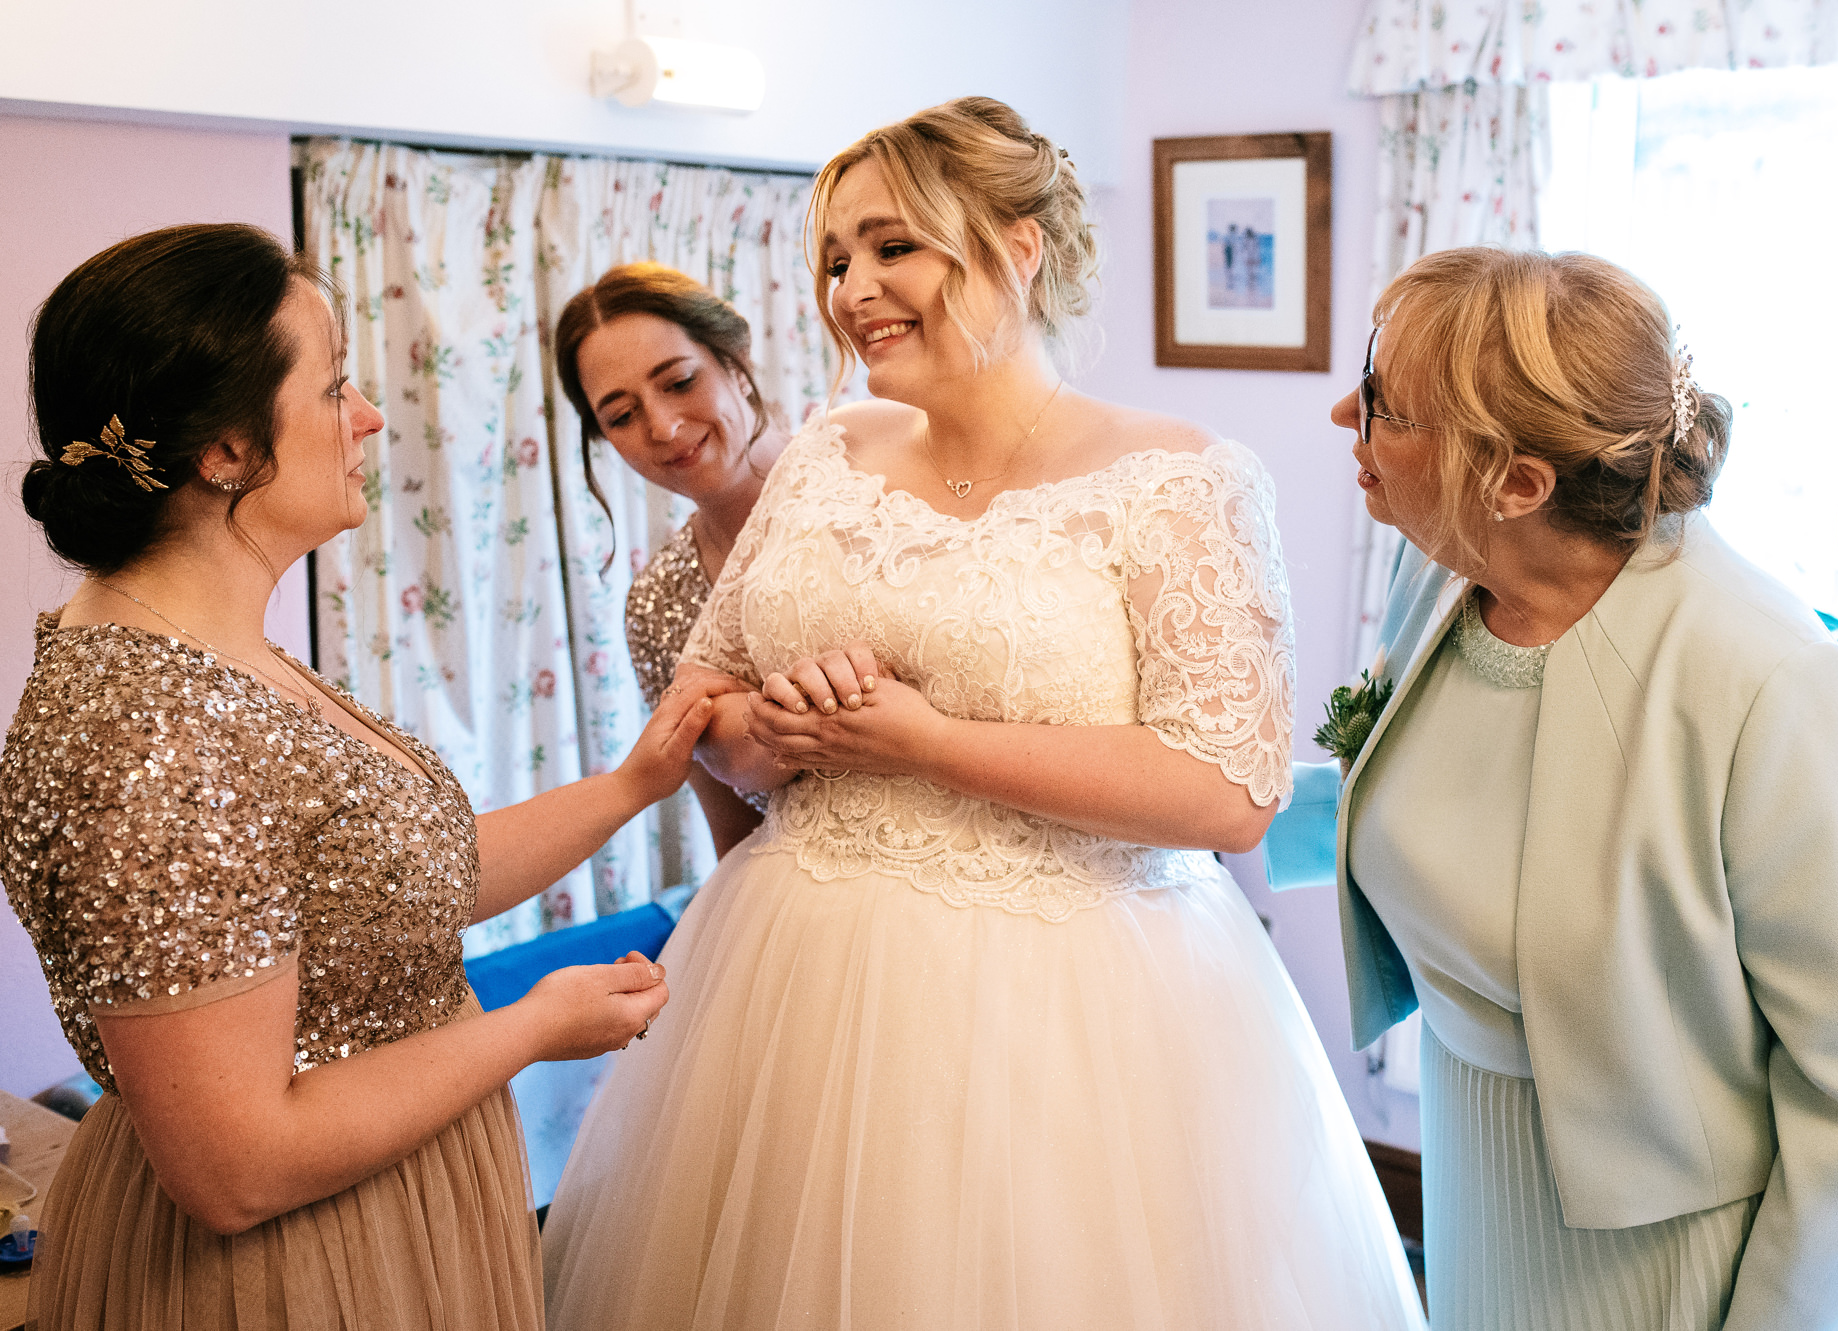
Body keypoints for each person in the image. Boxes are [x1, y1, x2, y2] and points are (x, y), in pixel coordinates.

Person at [542, 98, 1426, 1330]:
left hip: (1076, 989)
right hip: (796, 975)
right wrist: (781, 726)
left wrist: (927, 742)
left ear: (1019, 246)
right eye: (836, 259)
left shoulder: (1179, 478)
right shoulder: (821, 453)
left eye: (892, 246)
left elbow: (1228, 792)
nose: (853, 289)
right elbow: (715, 710)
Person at [0, 223, 738, 1330]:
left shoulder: (210, 651)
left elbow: (385, 889)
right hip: (294, 1262)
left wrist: (637, 779)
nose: (368, 418)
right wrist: (531, 1022)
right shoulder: (149, 728)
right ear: (226, 451)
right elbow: (236, 1163)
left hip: (393, 1197)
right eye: (334, 386)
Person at [1292, 245, 1838, 1329]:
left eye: (1385, 405)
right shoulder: (1442, 570)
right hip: (1471, 1184)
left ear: (1516, 480)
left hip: (1667, 1263)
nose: (1341, 411)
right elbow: (1445, 815)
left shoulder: (1769, 684)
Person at [554, 263, 788, 859]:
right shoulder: (657, 604)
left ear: (734, 362)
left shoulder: (878, 482)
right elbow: (736, 838)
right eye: (622, 416)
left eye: (680, 381)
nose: (663, 427)